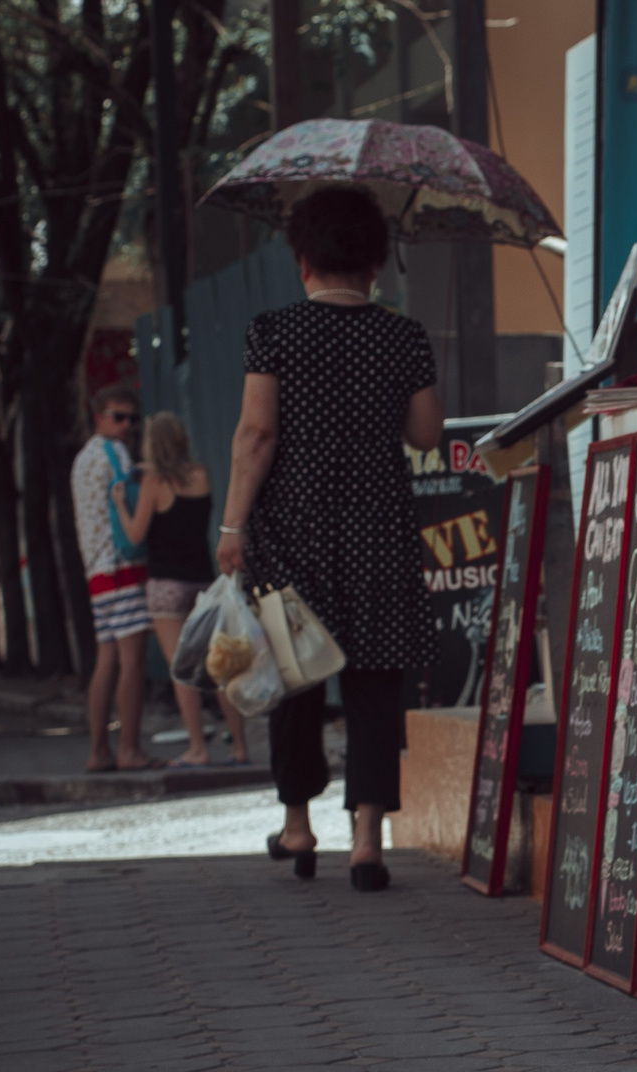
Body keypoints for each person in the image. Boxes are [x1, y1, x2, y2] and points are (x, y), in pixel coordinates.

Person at [219, 185, 438, 892]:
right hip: (380, 525)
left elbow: (256, 434)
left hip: (293, 529)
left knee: (297, 676)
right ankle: (368, 840)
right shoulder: (404, 336)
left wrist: (232, 526)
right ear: (375, 262)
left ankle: (298, 823)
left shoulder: (273, 332)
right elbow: (426, 435)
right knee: (375, 679)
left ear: (304, 259)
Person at [112, 412, 252, 768]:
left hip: (165, 585)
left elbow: (135, 536)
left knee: (183, 669)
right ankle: (239, 747)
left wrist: (119, 504)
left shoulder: (153, 483)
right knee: (220, 665)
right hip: (202, 581)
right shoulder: (201, 474)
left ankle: (197, 748)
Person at [70, 385, 154, 772]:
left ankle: (99, 749)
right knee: (132, 660)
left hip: (96, 572)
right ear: (99, 417)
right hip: (122, 566)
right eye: (118, 417)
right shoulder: (114, 452)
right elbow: (130, 498)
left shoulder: (82, 459)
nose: (127, 426)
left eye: (132, 419)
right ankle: (130, 748)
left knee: (106, 661)